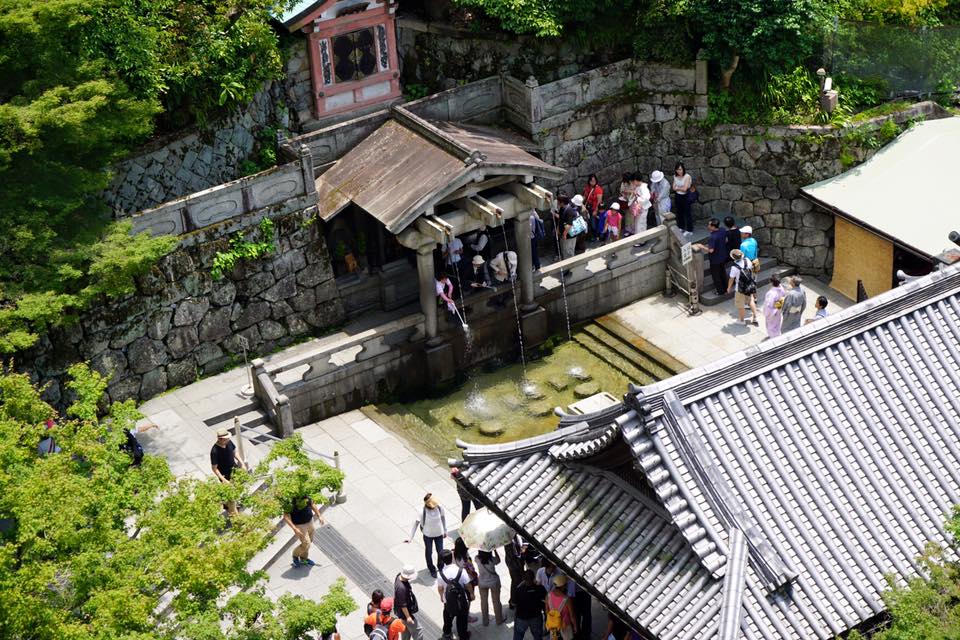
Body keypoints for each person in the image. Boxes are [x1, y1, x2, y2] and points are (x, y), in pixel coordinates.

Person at [406, 493, 448, 578]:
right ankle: (431, 568)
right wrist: (410, 538)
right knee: (429, 552)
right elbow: (416, 524)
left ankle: (440, 566)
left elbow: (443, 518)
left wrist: (445, 530)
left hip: (439, 534)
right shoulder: (422, 512)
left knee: (440, 551)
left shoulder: (439, 508)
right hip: (428, 535)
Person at [438, 549, 474, 640]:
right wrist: (471, 593)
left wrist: (441, 597)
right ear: (452, 557)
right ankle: (463, 635)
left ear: (442, 560)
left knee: (448, 617)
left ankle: (447, 633)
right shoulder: (460, 571)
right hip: (461, 600)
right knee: (462, 619)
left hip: (448, 600)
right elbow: (468, 584)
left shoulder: (440, 574)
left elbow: (440, 588)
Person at [210, 427, 246, 516]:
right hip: (225, 476)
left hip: (235, 471)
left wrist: (242, 463)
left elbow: (234, 452)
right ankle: (236, 517)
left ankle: (225, 501)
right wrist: (223, 480)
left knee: (237, 489)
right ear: (220, 439)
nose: (228, 440)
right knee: (231, 497)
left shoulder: (229, 442)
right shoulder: (214, 451)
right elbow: (214, 468)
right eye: (226, 439)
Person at [283, 494, 325, 567]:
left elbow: (312, 504)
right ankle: (295, 555)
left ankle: (303, 558)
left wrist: (319, 515)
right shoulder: (290, 502)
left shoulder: (305, 496)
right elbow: (286, 516)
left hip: (310, 521)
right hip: (300, 525)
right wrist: (295, 528)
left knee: (310, 540)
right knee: (306, 543)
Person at [727, 249, 759, 326]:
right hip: (749, 285)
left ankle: (741, 320)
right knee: (750, 301)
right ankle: (755, 317)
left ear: (733, 258)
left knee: (740, 305)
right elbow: (751, 269)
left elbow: (731, 278)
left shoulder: (734, 268)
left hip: (740, 288)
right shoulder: (747, 260)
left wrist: (729, 288)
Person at [513, 570, 546, 640]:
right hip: (536, 617)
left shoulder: (519, 590)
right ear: (534, 578)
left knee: (518, 636)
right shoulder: (540, 588)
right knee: (538, 637)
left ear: (524, 579)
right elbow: (545, 599)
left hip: (521, 618)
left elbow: (513, 603)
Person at [394, 566, 425, 640]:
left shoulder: (398, 576)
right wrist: (408, 617)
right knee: (418, 630)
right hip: (405, 614)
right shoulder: (401, 588)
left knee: (405, 630)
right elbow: (403, 605)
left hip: (401, 613)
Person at [476, 550, 506, 626]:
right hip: (494, 582)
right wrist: (495, 550)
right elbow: (499, 560)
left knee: (484, 601)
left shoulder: (477, 558)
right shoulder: (492, 559)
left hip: (482, 582)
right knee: (496, 601)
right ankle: (499, 620)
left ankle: (485, 621)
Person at [699, 218, 728, 296]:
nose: (708, 226)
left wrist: (701, 246)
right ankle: (726, 288)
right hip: (723, 255)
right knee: (722, 272)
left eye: (709, 225)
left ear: (713, 227)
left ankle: (720, 291)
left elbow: (711, 250)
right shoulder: (722, 230)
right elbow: (726, 240)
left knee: (716, 275)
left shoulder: (713, 237)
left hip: (715, 259)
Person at [545, 574, 577, 640]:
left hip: (554, 626)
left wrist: (553, 619)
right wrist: (575, 626)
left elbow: (547, 611)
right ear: (563, 586)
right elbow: (572, 616)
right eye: (566, 584)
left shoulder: (548, 596)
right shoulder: (567, 599)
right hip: (565, 625)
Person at [504, 534, 526, 609]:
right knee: (516, 581)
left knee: (518, 581)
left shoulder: (518, 536)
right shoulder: (509, 540)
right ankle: (513, 601)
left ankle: (515, 599)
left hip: (519, 562)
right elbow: (513, 554)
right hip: (514, 564)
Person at [671, 162, 693, 235]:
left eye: (680, 169)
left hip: (686, 196)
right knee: (679, 212)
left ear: (683, 169)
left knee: (687, 213)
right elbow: (673, 188)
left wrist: (678, 188)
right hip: (678, 196)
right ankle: (681, 227)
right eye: (677, 170)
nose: (679, 171)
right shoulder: (675, 176)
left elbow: (685, 189)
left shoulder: (687, 176)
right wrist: (679, 188)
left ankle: (689, 230)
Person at [582, 175, 603, 241]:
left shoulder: (598, 189)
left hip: (594, 208)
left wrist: (596, 210)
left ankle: (597, 235)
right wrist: (580, 202)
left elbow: (599, 201)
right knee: (590, 223)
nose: (593, 182)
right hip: (588, 208)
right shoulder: (587, 188)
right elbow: (584, 197)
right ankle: (594, 235)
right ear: (589, 181)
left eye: (594, 181)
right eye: (591, 181)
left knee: (594, 223)